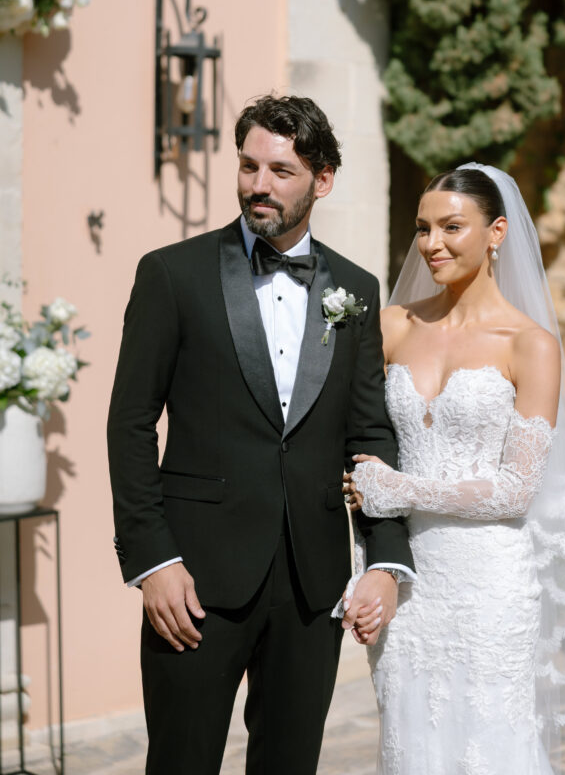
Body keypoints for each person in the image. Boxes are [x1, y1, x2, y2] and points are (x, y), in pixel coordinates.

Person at [107, 94, 415, 775]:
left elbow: (370, 434)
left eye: (280, 170)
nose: (258, 185)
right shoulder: (171, 273)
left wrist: (387, 561)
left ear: (322, 179)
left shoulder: (356, 290)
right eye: (248, 166)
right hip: (193, 583)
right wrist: (152, 561)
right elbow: (130, 422)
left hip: (311, 586)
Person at [343, 165, 565, 775]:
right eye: (423, 228)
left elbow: (516, 490)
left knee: (486, 748)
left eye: (452, 227)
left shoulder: (529, 344)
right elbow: (356, 434)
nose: (432, 244)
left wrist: (398, 488)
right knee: (409, 744)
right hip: (410, 580)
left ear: (496, 231)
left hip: (488, 585)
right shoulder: (393, 325)